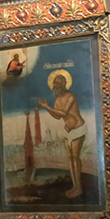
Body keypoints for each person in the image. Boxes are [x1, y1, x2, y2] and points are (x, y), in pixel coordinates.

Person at [37, 70, 87, 199]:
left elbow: (64, 113)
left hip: (77, 128)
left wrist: (47, 108)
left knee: (75, 157)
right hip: (67, 131)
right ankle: (74, 186)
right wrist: (46, 107)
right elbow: (57, 117)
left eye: (59, 83)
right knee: (70, 158)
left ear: (64, 84)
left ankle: (79, 188)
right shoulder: (57, 100)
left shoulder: (71, 96)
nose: (56, 86)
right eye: (55, 84)